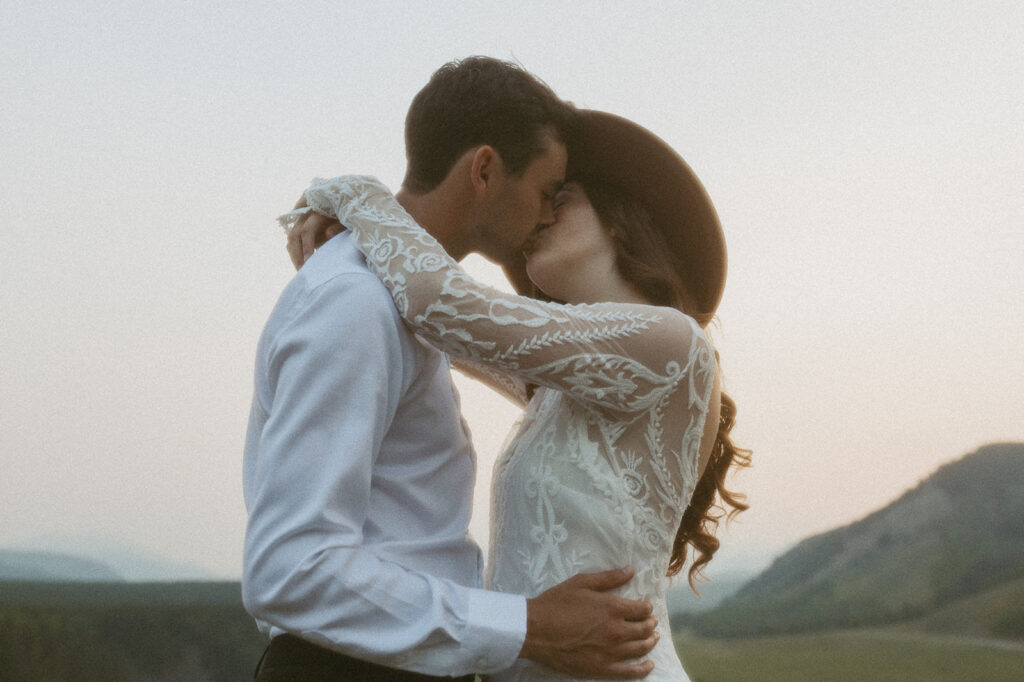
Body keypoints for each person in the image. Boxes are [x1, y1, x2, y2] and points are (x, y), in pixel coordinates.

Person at [285, 110, 751, 680]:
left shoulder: (672, 341)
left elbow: (438, 303)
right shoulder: (560, 388)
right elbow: (432, 324)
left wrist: (352, 195)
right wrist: (359, 246)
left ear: (622, 218)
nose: (540, 215)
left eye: (562, 195)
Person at [243, 58, 660, 682]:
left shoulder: (413, 309)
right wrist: (529, 626)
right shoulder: (357, 302)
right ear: (485, 170)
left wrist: (349, 199)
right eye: (547, 193)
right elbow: (290, 567)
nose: (547, 215)